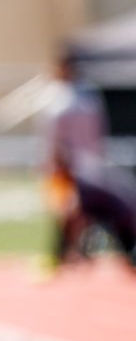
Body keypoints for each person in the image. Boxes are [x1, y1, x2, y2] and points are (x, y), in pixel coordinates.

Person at [42, 52, 136, 269]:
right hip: (94, 166)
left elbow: (56, 143)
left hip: (73, 168)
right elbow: (99, 134)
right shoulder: (90, 98)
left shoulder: (58, 101)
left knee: (70, 210)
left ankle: (62, 255)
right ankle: (78, 253)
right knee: (88, 212)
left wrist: (53, 166)